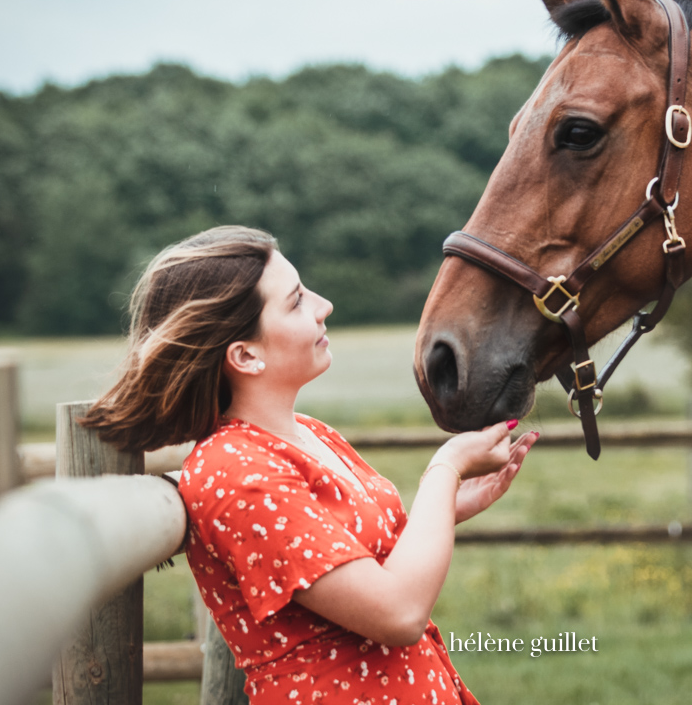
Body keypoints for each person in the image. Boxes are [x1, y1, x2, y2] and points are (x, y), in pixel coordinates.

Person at [82, 225, 537, 704]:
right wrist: (444, 470)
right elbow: (399, 613)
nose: (324, 306)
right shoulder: (234, 472)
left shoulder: (311, 435)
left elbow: (348, 565)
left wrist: (444, 507)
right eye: (297, 301)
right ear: (245, 355)